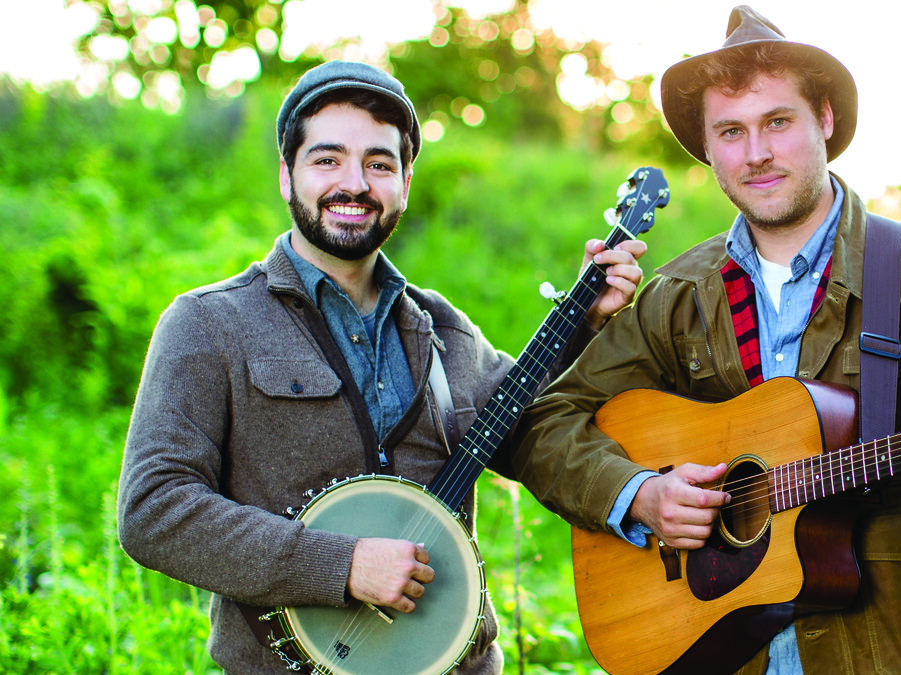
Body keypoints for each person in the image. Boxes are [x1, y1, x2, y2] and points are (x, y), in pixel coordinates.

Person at [511, 6, 901, 675]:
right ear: (709, 150)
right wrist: (641, 495)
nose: (757, 153)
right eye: (731, 131)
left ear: (824, 120)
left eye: (778, 122)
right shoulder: (678, 293)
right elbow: (543, 423)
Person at [116, 60, 646, 674]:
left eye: (378, 163)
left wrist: (584, 322)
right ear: (287, 177)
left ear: (405, 181)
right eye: (327, 160)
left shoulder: (441, 326)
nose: (355, 183)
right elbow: (154, 510)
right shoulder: (208, 325)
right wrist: (340, 565)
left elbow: (532, 431)